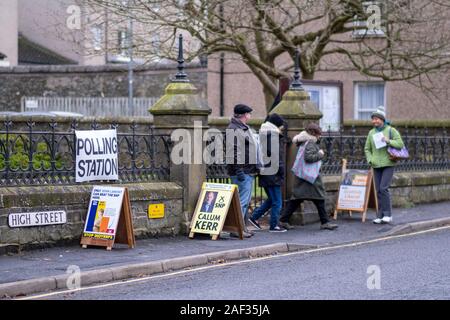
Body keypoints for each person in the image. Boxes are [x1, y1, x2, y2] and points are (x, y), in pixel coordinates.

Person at [279, 123, 338, 230]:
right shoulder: (310, 143)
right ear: (314, 133)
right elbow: (309, 158)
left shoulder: (304, 141)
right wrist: (320, 154)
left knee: (297, 199)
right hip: (310, 178)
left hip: (304, 177)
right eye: (319, 134)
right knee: (319, 199)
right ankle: (325, 222)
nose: (320, 136)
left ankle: (283, 220)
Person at [364, 106, 404, 224]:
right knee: (377, 190)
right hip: (376, 165)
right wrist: (370, 160)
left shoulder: (391, 130)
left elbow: (400, 144)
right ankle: (380, 215)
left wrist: (388, 141)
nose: (374, 121)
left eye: (377, 119)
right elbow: (367, 149)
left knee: (383, 188)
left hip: (388, 163)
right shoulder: (371, 133)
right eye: (373, 119)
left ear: (382, 119)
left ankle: (388, 215)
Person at [248, 113, 287, 232]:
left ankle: (254, 217)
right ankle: (274, 225)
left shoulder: (264, 134)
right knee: (277, 202)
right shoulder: (272, 136)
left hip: (265, 172)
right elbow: (276, 157)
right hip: (272, 173)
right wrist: (282, 171)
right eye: (281, 126)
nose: (282, 129)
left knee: (271, 199)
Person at [226, 104, 258, 238]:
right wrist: (239, 170)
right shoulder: (234, 129)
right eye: (249, 114)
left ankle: (242, 228)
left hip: (247, 170)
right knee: (241, 202)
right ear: (245, 115)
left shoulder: (241, 128)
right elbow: (233, 152)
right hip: (242, 171)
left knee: (244, 201)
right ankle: (236, 229)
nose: (250, 116)